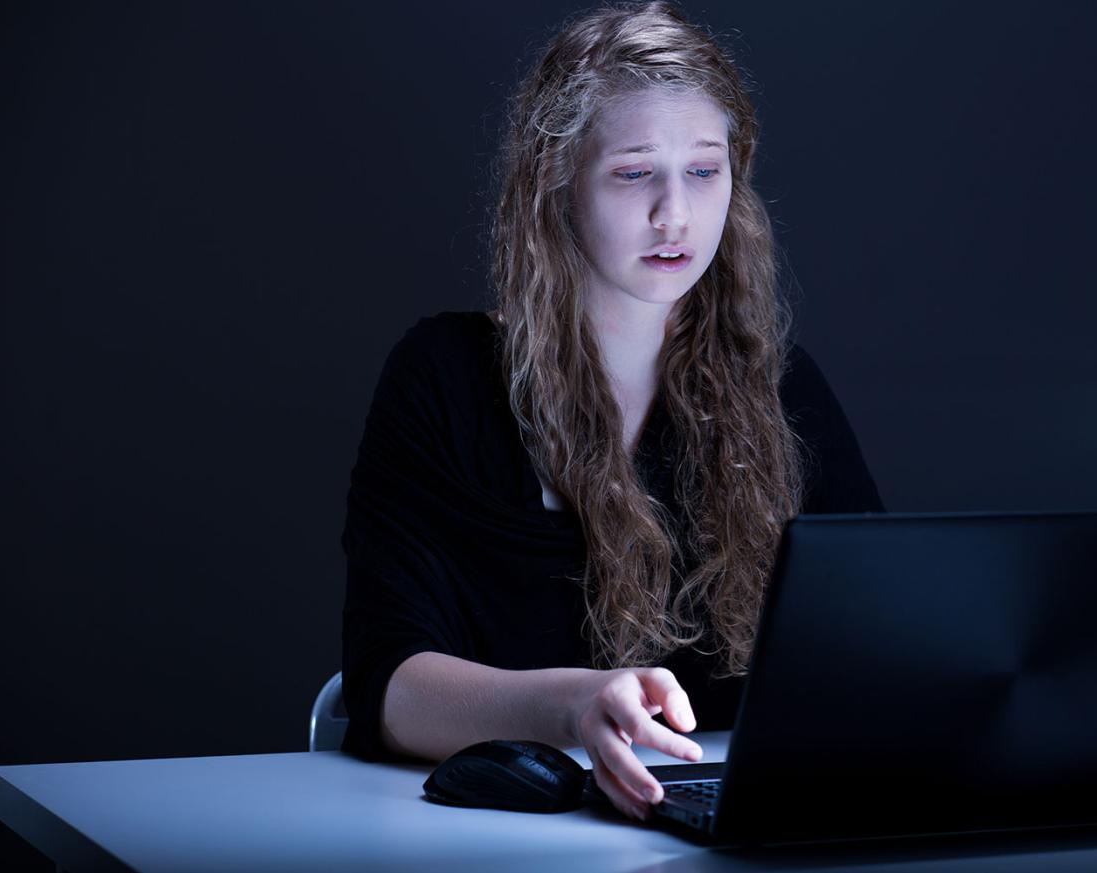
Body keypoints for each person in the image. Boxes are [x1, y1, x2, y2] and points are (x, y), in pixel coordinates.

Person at [340, 0, 885, 823]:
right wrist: (574, 705)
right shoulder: (445, 376)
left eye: (704, 170)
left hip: (733, 831)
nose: (677, 215)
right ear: (558, 181)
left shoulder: (782, 387)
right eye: (635, 173)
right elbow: (392, 685)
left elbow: (886, 638)